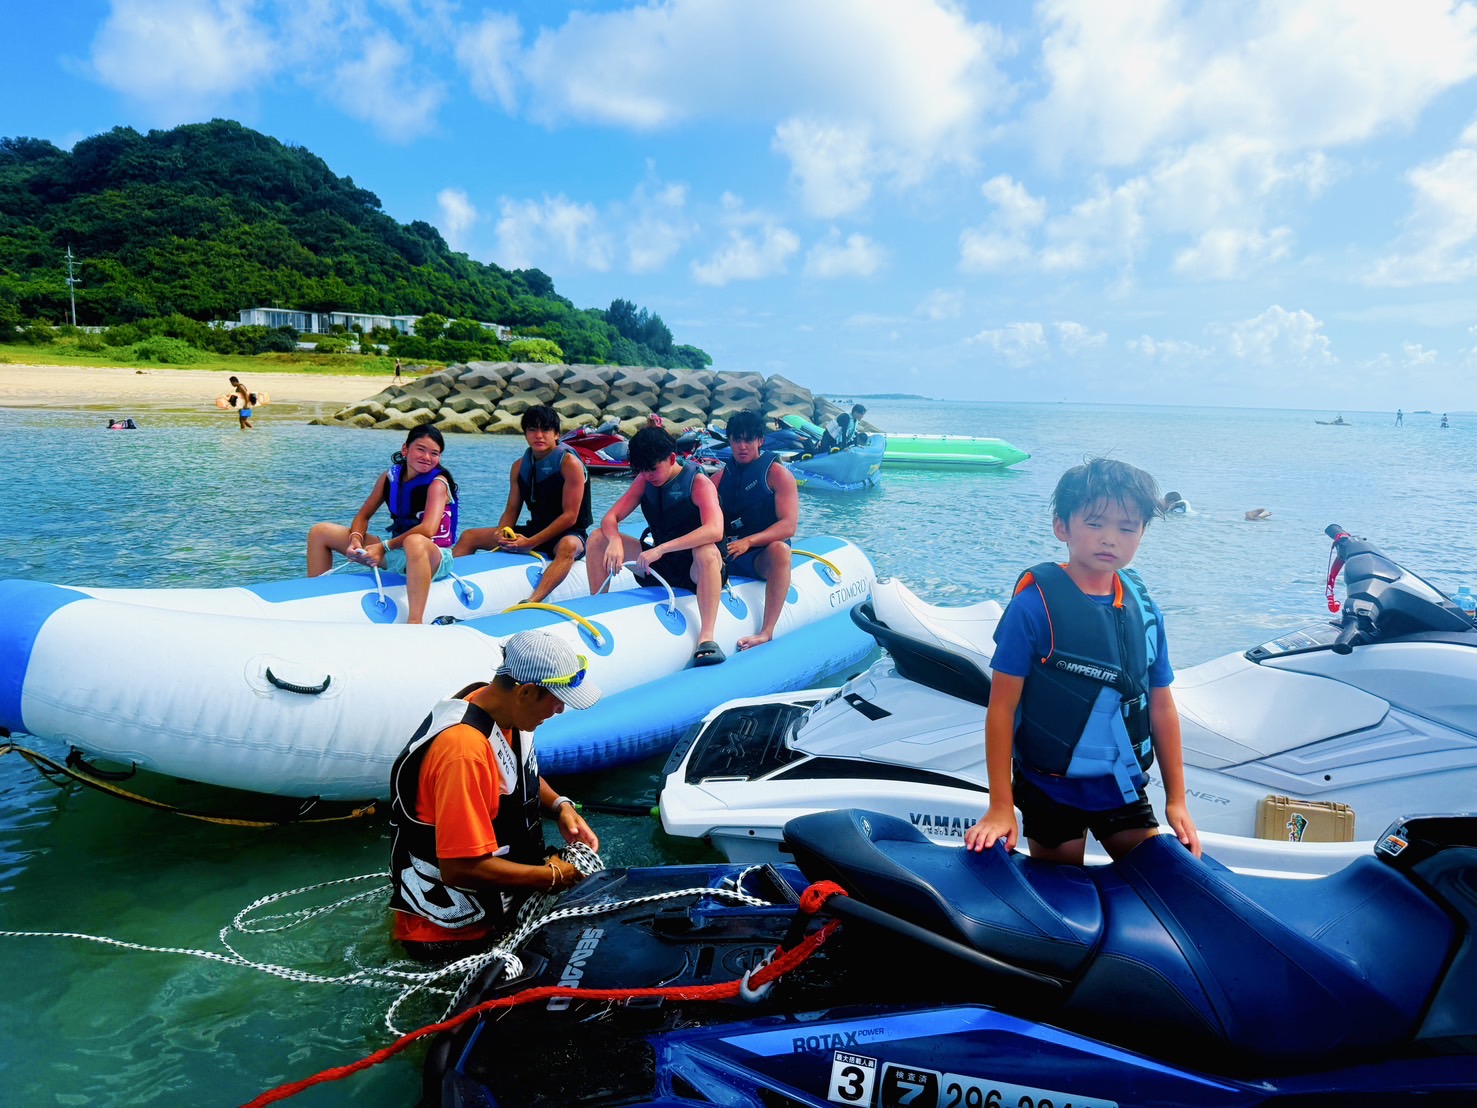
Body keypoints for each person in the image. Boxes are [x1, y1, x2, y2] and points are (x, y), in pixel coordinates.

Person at [963, 457, 1200, 867]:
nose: (1110, 539)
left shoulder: (1144, 610)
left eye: (1126, 528)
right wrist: (1001, 805)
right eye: (1094, 523)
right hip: (1049, 789)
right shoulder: (1031, 608)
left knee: (1159, 878)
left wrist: (1177, 800)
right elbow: (1002, 708)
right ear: (1062, 527)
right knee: (1062, 888)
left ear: (1142, 533)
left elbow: (1161, 704)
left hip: (1121, 786)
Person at [388, 629, 602, 962]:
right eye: (556, 700)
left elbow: (512, 772)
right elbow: (460, 868)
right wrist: (552, 876)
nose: (560, 709)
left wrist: (560, 806)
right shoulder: (463, 752)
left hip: (498, 914)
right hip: (450, 939)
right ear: (526, 692)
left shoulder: (495, 706)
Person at [587, 426, 726, 666]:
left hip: (696, 569)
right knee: (598, 538)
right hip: (661, 564)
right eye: (641, 469)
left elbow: (715, 530)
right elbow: (610, 518)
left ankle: (707, 637)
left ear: (671, 458)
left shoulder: (699, 483)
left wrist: (661, 548)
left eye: (652, 468)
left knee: (706, 550)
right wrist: (615, 541)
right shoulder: (644, 480)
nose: (647, 474)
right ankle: (596, 608)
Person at [305, 425, 459, 624]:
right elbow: (363, 516)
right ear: (405, 449)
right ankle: (313, 599)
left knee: (414, 541)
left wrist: (383, 547)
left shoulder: (438, 483)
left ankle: (415, 622)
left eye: (434, 453)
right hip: (396, 551)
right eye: (421, 449)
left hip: (433, 557)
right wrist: (355, 540)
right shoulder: (390, 478)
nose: (427, 457)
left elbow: (428, 529)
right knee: (320, 532)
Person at [454, 405, 592, 603]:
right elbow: (512, 510)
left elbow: (570, 516)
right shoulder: (519, 467)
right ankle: (446, 584)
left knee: (568, 546)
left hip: (568, 533)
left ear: (556, 434)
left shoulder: (569, 463)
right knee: (469, 537)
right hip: (535, 529)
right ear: (525, 433)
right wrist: (501, 531)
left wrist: (531, 543)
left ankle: (533, 600)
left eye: (545, 430)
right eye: (532, 429)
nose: (539, 435)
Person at [710, 409, 799, 650]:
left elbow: (788, 525)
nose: (742, 446)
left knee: (781, 550)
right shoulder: (717, 480)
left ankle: (766, 631)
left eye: (748, 439)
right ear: (729, 441)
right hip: (728, 553)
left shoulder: (778, 475)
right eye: (736, 440)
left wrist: (749, 541)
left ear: (760, 441)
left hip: (761, 556)